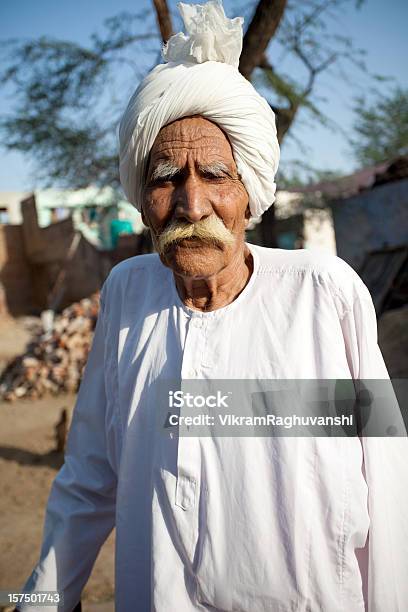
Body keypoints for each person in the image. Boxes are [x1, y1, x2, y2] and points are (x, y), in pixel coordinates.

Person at [19, 1, 408, 611]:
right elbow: (90, 478)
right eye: (167, 176)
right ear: (143, 199)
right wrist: (36, 600)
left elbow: (387, 480)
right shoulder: (128, 294)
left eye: (216, 175)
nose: (191, 204)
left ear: (249, 192)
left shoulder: (323, 294)